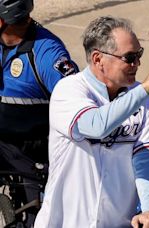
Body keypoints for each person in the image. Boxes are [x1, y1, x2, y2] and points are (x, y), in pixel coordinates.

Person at [34, 16, 149, 228]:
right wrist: (147, 86)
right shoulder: (69, 90)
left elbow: (146, 155)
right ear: (98, 59)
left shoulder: (144, 99)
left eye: (139, 55)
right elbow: (95, 126)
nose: (138, 63)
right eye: (129, 57)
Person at [0, 0, 78, 226]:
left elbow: (78, 105)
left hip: (34, 151)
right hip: (3, 141)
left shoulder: (47, 54)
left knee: (37, 220)